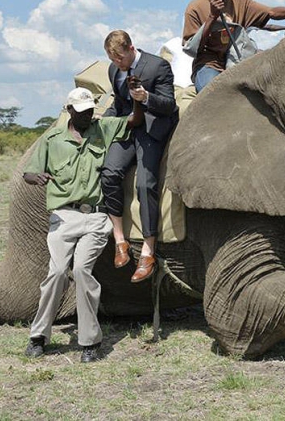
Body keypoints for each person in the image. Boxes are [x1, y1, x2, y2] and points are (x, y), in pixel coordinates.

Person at [23, 87, 145, 363]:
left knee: (81, 270)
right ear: (69, 111)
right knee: (56, 273)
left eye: (90, 110)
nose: (87, 115)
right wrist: (37, 177)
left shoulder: (103, 128)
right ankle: (38, 336)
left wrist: (138, 100)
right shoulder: (52, 139)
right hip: (64, 216)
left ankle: (90, 341)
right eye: (81, 112)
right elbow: (29, 173)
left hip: (96, 218)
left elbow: (134, 120)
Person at [100, 30, 179, 283]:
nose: (117, 64)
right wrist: (105, 122)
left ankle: (148, 250)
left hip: (151, 128)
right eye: (113, 60)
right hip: (127, 128)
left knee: (145, 183)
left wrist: (146, 97)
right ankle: (120, 240)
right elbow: (119, 104)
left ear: (131, 48)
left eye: (120, 58)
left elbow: (169, 105)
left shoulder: (158, 66)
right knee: (109, 174)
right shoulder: (114, 70)